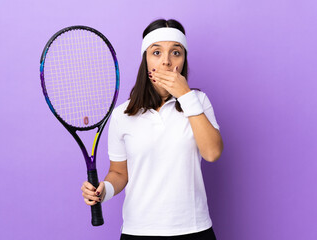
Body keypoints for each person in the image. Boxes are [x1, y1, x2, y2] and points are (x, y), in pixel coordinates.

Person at [81, 18, 223, 240]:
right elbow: (119, 172)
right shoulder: (122, 114)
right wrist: (103, 191)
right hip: (139, 231)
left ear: (183, 60)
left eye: (176, 52)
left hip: (194, 229)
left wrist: (185, 95)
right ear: (145, 60)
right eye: (156, 53)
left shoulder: (198, 101)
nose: (166, 61)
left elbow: (212, 153)